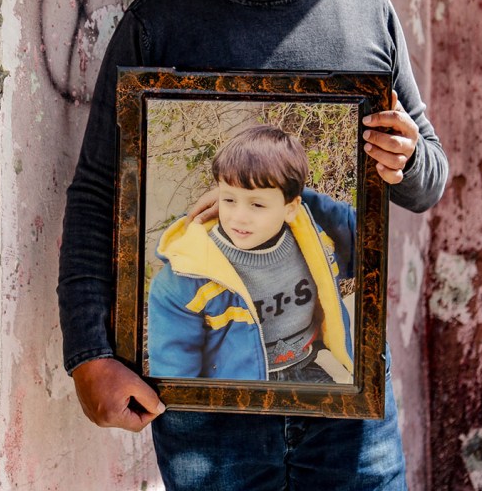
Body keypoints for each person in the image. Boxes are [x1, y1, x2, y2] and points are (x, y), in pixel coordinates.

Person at [57, 0, 449, 491]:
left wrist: (406, 158)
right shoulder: (160, 25)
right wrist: (89, 354)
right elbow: (95, 193)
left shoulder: (366, 12)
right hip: (208, 407)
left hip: (345, 400)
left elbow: (425, 181)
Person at [148, 125, 355, 383]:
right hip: (239, 395)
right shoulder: (189, 275)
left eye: (256, 204)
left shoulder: (314, 240)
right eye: (229, 200)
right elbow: (175, 369)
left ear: (291, 209)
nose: (239, 217)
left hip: (308, 371)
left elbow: (372, 239)